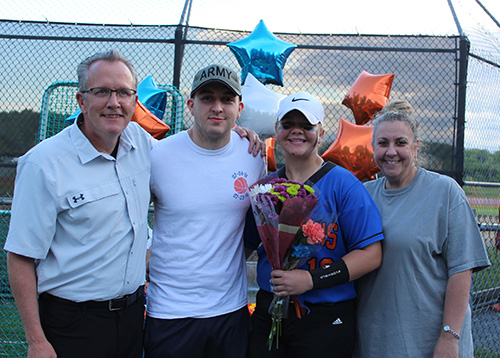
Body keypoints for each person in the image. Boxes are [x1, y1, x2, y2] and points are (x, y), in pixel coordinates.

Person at [4, 50, 155, 358]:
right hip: (72, 324)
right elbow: (20, 257)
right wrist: (36, 341)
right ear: (81, 101)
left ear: (134, 101)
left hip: (131, 318)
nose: (114, 102)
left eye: (124, 92)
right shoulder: (44, 164)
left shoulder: (141, 143)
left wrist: (236, 135)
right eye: (101, 92)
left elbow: (191, 149)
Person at [246, 91, 384, 358]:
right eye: (288, 124)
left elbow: (371, 254)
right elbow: (246, 247)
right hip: (269, 310)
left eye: (307, 126)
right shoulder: (265, 189)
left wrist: (310, 279)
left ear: (320, 132)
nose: (297, 131)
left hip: (325, 315)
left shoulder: (343, 184)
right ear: (277, 129)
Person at [144, 64, 267, 358]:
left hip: (231, 311)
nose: (217, 107)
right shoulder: (159, 156)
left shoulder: (253, 155)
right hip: (170, 313)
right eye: (207, 98)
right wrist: (144, 252)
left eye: (226, 99)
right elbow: (129, 216)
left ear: (239, 107)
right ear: (191, 104)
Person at [354, 100, 491, 358]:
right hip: (375, 341)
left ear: (416, 148)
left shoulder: (445, 193)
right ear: (373, 148)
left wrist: (449, 338)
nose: (391, 151)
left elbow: (462, 270)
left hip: (429, 343)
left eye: (401, 143)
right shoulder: (363, 195)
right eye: (383, 143)